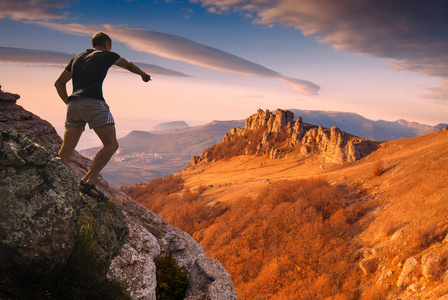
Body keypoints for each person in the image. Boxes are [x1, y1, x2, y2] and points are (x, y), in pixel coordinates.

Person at [55, 31, 151, 201]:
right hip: (93, 103)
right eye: (111, 45)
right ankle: (87, 183)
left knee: (65, 151)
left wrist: (69, 103)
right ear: (107, 44)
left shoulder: (77, 58)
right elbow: (127, 64)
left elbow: (59, 83)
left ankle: (51, 180)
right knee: (111, 144)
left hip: (73, 105)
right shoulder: (106, 55)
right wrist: (143, 75)